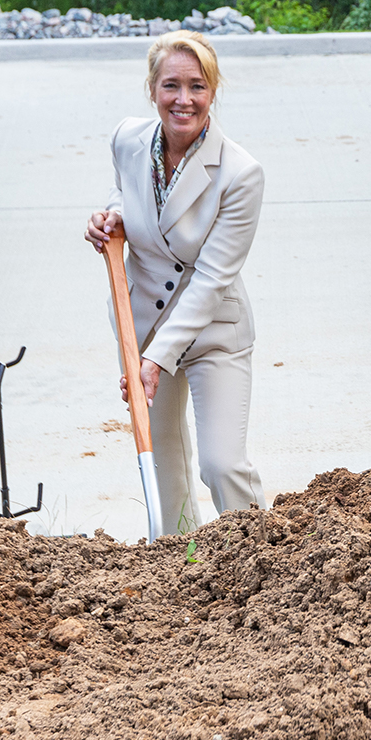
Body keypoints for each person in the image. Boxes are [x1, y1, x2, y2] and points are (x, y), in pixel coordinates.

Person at [85, 31, 265, 531]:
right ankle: (180, 566)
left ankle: (262, 560)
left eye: (197, 86)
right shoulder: (127, 138)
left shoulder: (241, 174)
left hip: (212, 333)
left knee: (221, 464)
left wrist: (155, 360)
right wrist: (112, 218)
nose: (183, 99)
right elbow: (128, 194)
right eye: (171, 85)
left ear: (213, 92)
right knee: (166, 470)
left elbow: (210, 280)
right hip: (141, 323)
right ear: (151, 89)